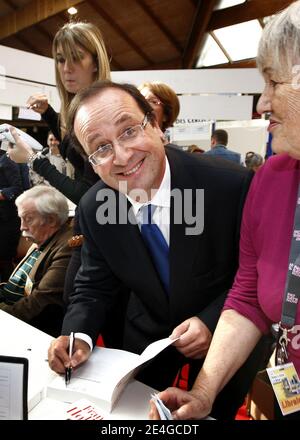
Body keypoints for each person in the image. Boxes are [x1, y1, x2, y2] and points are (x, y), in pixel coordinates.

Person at [47, 80, 267, 420]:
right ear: (92, 163)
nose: (121, 156)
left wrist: (211, 320)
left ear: (155, 124)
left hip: (227, 336)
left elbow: (255, 275)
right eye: (101, 148)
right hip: (147, 343)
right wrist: (77, 335)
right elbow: (93, 286)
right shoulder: (95, 208)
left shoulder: (229, 185)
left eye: (129, 131)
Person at [148, 1, 300, 420]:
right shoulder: (271, 179)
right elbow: (249, 294)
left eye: (274, 82)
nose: (263, 103)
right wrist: (204, 391)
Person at [8, 21, 111, 205]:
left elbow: (87, 195)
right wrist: (48, 113)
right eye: (61, 60)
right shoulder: (82, 108)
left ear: (96, 63)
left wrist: (33, 159)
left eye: (76, 58)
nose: (66, 69)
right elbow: (71, 150)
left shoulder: (98, 114)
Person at [0, 185, 72, 336]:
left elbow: (39, 305)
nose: (21, 227)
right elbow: (21, 285)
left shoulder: (68, 247)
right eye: (21, 219)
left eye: (28, 219)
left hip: (31, 332)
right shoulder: (41, 239)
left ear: (51, 220)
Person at [0, 149, 23, 281]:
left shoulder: (6, 159)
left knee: (5, 260)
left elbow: (17, 189)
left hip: (6, 219)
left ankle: (9, 294)